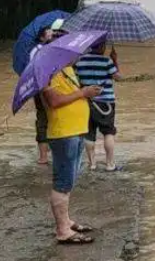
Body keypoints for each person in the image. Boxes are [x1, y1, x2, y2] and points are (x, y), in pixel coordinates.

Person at [40, 63, 103, 244]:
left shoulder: (67, 70)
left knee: (69, 180)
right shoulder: (45, 72)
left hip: (76, 130)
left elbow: (72, 95)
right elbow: (54, 101)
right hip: (63, 133)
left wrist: (87, 93)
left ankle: (66, 221)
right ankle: (63, 231)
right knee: (62, 182)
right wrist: (83, 93)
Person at [74, 42, 123, 171]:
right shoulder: (107, 61)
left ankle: (92, 164)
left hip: (86, 101)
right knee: (108, 132)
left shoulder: (80, 61)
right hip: (106, 103)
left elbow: (75, 80)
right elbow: (118, 78)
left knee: (89, 133)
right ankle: (110, 164)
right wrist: (115, 60)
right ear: (101, 46)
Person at [30, 23, 58, 164]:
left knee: (55, 116)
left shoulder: (53, 48)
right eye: (49, 32)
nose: (51, 33)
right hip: (41, 89)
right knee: (43, 119)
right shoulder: (37, 50)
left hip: (53, 86)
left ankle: (53, 151)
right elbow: (36, 69)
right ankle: (43, 156)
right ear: (42, 37)